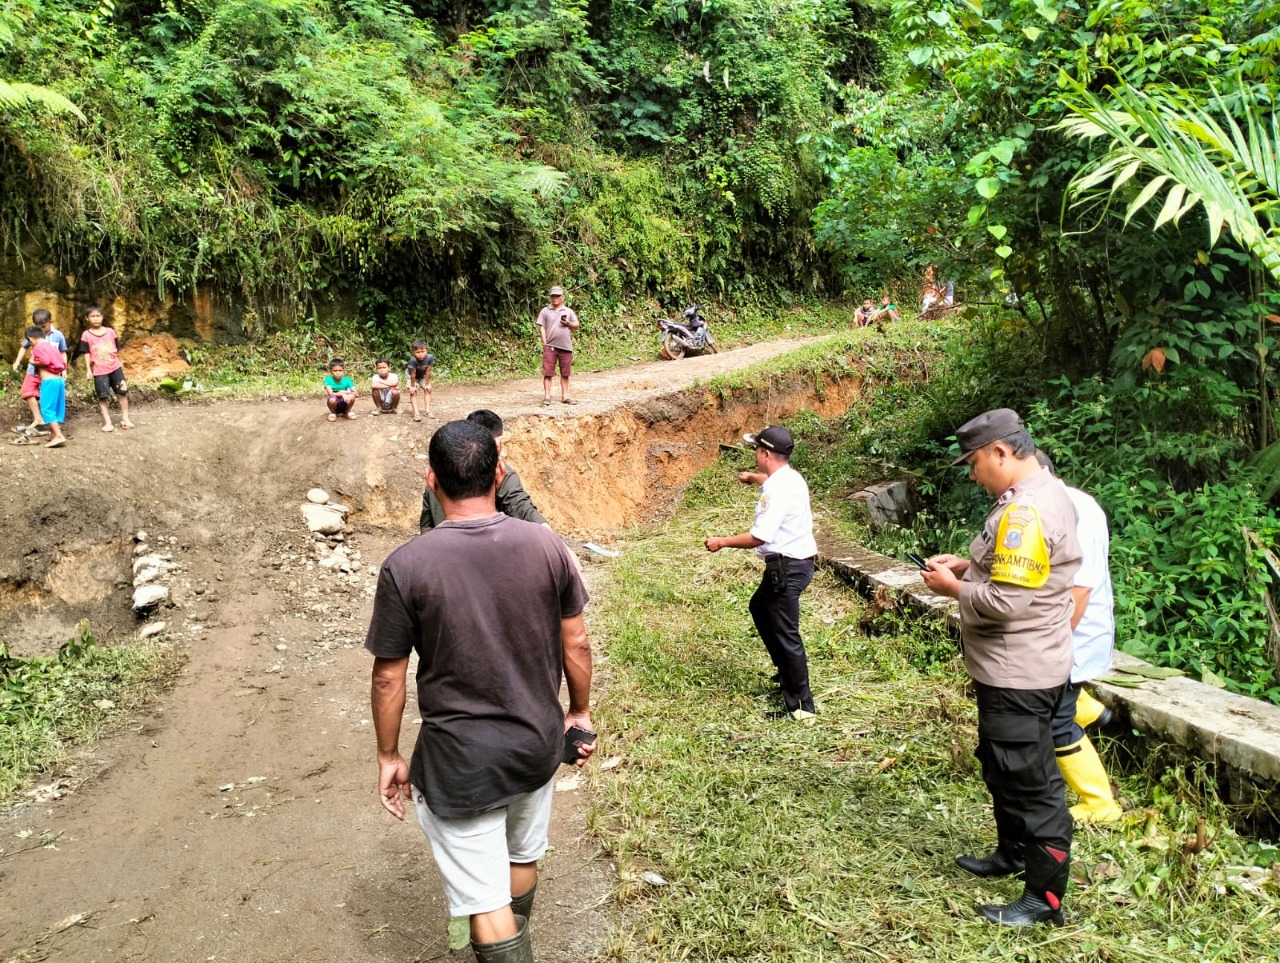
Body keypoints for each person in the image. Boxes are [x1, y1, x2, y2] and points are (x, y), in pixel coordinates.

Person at [367, 419, 595, 963]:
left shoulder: (406, 565)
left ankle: (503, 940)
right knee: (520, 856)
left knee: (485, 904)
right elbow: (578, 642)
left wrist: (388, 755)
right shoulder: (546, 544)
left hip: (460, 763)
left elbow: (388, 676)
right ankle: (513, 937)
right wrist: (579, 712)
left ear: (431, 479)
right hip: (535, 745)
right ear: (499, 474)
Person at [920, 408, 1080, 927]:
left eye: (973, 463)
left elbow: (1007, 602)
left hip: (1019, 675)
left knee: (1033, 786)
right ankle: (1012, 854)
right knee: (1002, 766)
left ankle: (1043, 901)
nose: (972, 474)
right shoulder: (1043, 492)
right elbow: (1023, 574)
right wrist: (969, 567)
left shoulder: (1026, 513)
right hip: (1017, 668)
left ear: (1001, 452)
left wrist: (953, 589)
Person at [705, 425, 818, 723]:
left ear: (765, 454)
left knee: (786, 633)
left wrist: (721, 542)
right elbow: (770, 481)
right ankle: (786, 673)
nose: (755, 454)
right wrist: (753, 478)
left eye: (756, 449)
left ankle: (802, 707)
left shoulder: (777, 490)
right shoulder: (790, 478)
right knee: (760, 607)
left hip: (788, 568)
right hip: (794, 564)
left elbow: (759, 537)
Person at [1034, 452, 1123, 823]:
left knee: (1056, 723)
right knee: (1061, 698)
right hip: (1070, 629)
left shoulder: (1071, 510)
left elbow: (1079, 591)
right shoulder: (1067, 502)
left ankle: (1099, 803)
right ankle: (1091, 711)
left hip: (1075, 632)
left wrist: (1049, 645)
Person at [420, 409, 547, 533]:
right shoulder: (498, 473)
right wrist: (545, 531)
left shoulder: (438, 473)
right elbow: (519, 505)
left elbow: (426, 527)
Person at [76, 306, 134, 432]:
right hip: (99, 371)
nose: (96, 319)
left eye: (98, 316)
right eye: (92, 316)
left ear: (102, 317)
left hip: (115, 367)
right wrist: (88, 370)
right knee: (102, 396)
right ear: (87, 318)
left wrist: (117, 362)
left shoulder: (110, 332)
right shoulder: (86, 335)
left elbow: (116, 348)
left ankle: (125, 418)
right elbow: (86, 353)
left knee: (122, 392)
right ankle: (108, 422)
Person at [11, 309, 65, 438]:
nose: (42, 329)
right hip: (33, 370)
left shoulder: (58, 335)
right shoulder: (33, 335)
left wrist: (64, 369)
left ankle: (54, 427)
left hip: (50, 372)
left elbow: (62, 352)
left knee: (51, 398)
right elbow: (24, 347)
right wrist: (17, 362)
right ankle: (38, 418)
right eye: (39, 326)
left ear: (50, 322)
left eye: (44, 326)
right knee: (27, 390)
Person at [23, 326, 68, 449]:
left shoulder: (38, 347)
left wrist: (32, 362)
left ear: (31, 339)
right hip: (58, 380)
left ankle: (58, 435)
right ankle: (53, 434)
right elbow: (62, 363)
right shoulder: (51, 347)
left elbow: (45, 361)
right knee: (54, 408)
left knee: (46, 409)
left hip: (49, 381)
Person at [536, 286, 579, 406]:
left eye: (557, 296)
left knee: (565, 373)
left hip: (566, 347)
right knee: (548, 372)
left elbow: (576, 325)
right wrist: (544, 343)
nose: (555, 298)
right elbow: (542, 327)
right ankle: (547, 396)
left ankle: (565, 396)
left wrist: (568, 323)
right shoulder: (545, 311)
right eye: (553, 296)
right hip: (550, 346)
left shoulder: (568, 311)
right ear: (550, 297)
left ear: (562, 297)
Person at [406, 341, 434, 422]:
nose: (420, 354)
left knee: (427, 390)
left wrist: (427, 384)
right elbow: (413, 374)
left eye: (422, 351)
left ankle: (427, 411)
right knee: (413, 392)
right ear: (413, 353)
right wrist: (412, 386)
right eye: (417, 352)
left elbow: (428, 371)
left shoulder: (430, 358)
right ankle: (416, 413)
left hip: (423, 375)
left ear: (426, 351)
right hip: (412, 376)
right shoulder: (413, 360)